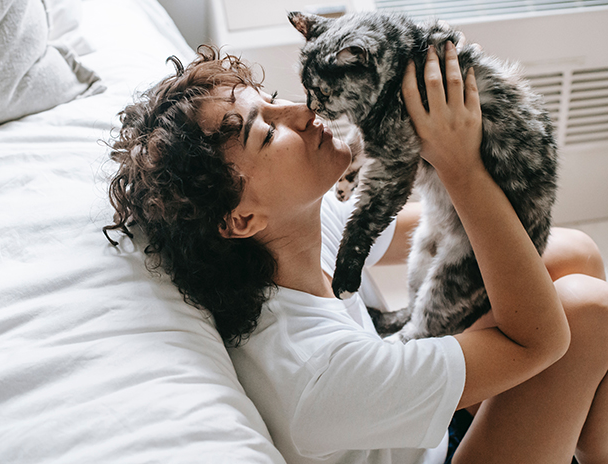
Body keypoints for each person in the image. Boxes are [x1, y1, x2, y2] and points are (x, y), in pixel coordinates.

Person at [104, 44, 608, 463]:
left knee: (569, 252)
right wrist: (460, 167)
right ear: (241, 219)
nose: (303, 112)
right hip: (430, 448)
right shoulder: (316, 373)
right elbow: (539, 342)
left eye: (274, 98)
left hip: (404, 413)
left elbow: (458, 237)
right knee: (586, 311)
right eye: (267, 131)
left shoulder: (293, 228)